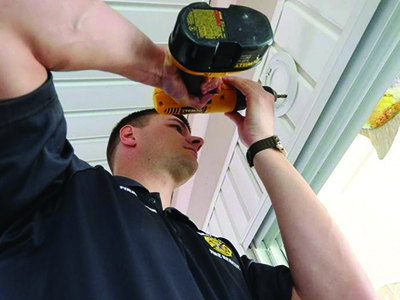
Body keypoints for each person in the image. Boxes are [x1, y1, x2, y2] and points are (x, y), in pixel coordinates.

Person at [0, 1, 377, 300]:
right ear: (129, 135)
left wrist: (263, 145)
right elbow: (13, 17)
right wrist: (159, 66)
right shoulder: (58, 188)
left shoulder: (223, 259)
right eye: (178, 125)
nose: (197, 140)